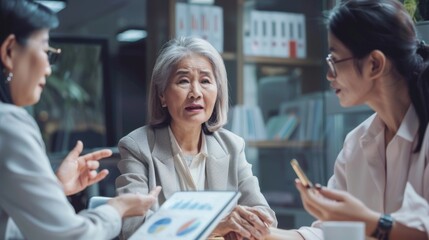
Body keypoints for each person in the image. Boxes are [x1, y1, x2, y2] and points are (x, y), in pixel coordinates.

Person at [266, 0, 429, 239]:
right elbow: (327, 233)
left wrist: (368, 222)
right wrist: (263, 234)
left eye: (334, 60)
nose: (328, 75)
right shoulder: (356, 142)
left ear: (374, 64)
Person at [0, 0, 161, 239]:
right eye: (46, 51)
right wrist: (116, 209)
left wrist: (53, 189)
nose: (48, 69)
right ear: (10, 51)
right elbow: (70, 236)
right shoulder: (10, 124)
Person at [115, 36, 277, 240]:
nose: (196, 93)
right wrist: (214, 227)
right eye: (183, 81)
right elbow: (133, 228)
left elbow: (265, 216)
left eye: (205, 81)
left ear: (217, 91)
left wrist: (248, 221)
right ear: (162, 95)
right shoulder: (137, 147)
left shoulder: (232, 147)